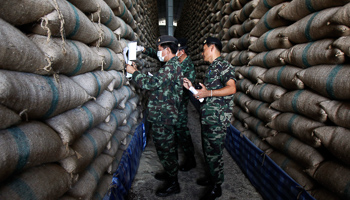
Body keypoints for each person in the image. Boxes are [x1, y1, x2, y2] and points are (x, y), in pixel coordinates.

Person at [126, 35, 183, 197]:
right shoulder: (170, 66)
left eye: (159, 50)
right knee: (166, 147)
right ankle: (170, 172)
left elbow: (150, 84)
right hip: (163, 114)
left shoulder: (171, 67)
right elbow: (160, 83)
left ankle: (174, 183)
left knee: (166, 147)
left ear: (166, 50)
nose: (158, 53)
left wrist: (134, 72)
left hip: (164, 116)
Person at [183, 36, 236, 200]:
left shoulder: (223, 66)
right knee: (208, 151)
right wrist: (192, 89)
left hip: (217, 120)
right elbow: (207, 96)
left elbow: (231, 88)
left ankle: (217, 186)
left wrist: (209, 92)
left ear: (212, 47)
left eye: (204, 48)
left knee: (214, 153)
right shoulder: (212, 68)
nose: (202, 51)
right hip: (208, 118)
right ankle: (212, 177)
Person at [174, 38, 197, 172]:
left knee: (182, 131)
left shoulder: (189, 66)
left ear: (181, 51)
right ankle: (174, 160)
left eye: (175, 51)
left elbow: (189, 86)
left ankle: (191, 159)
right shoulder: (177, 62)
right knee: (175, 131)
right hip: (173, 103)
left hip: (181, 104)